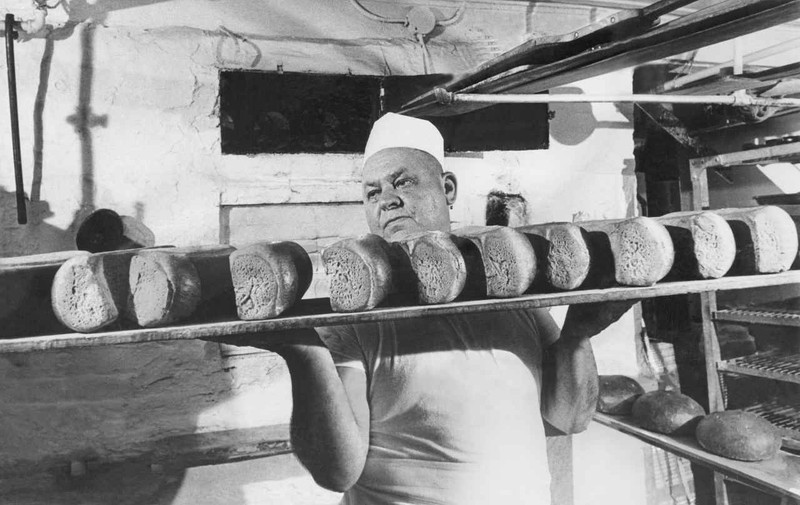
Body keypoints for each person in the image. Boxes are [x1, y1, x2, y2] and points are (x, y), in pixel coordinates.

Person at [220, 113, 634, 505]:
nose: (388, 200)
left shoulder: (507, 286)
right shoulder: (354, 314)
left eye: (403, 182)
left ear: (448, 188)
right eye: (372, 192)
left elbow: (569, 419)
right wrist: (301, 348)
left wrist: (579, 334)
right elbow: (336, 472)